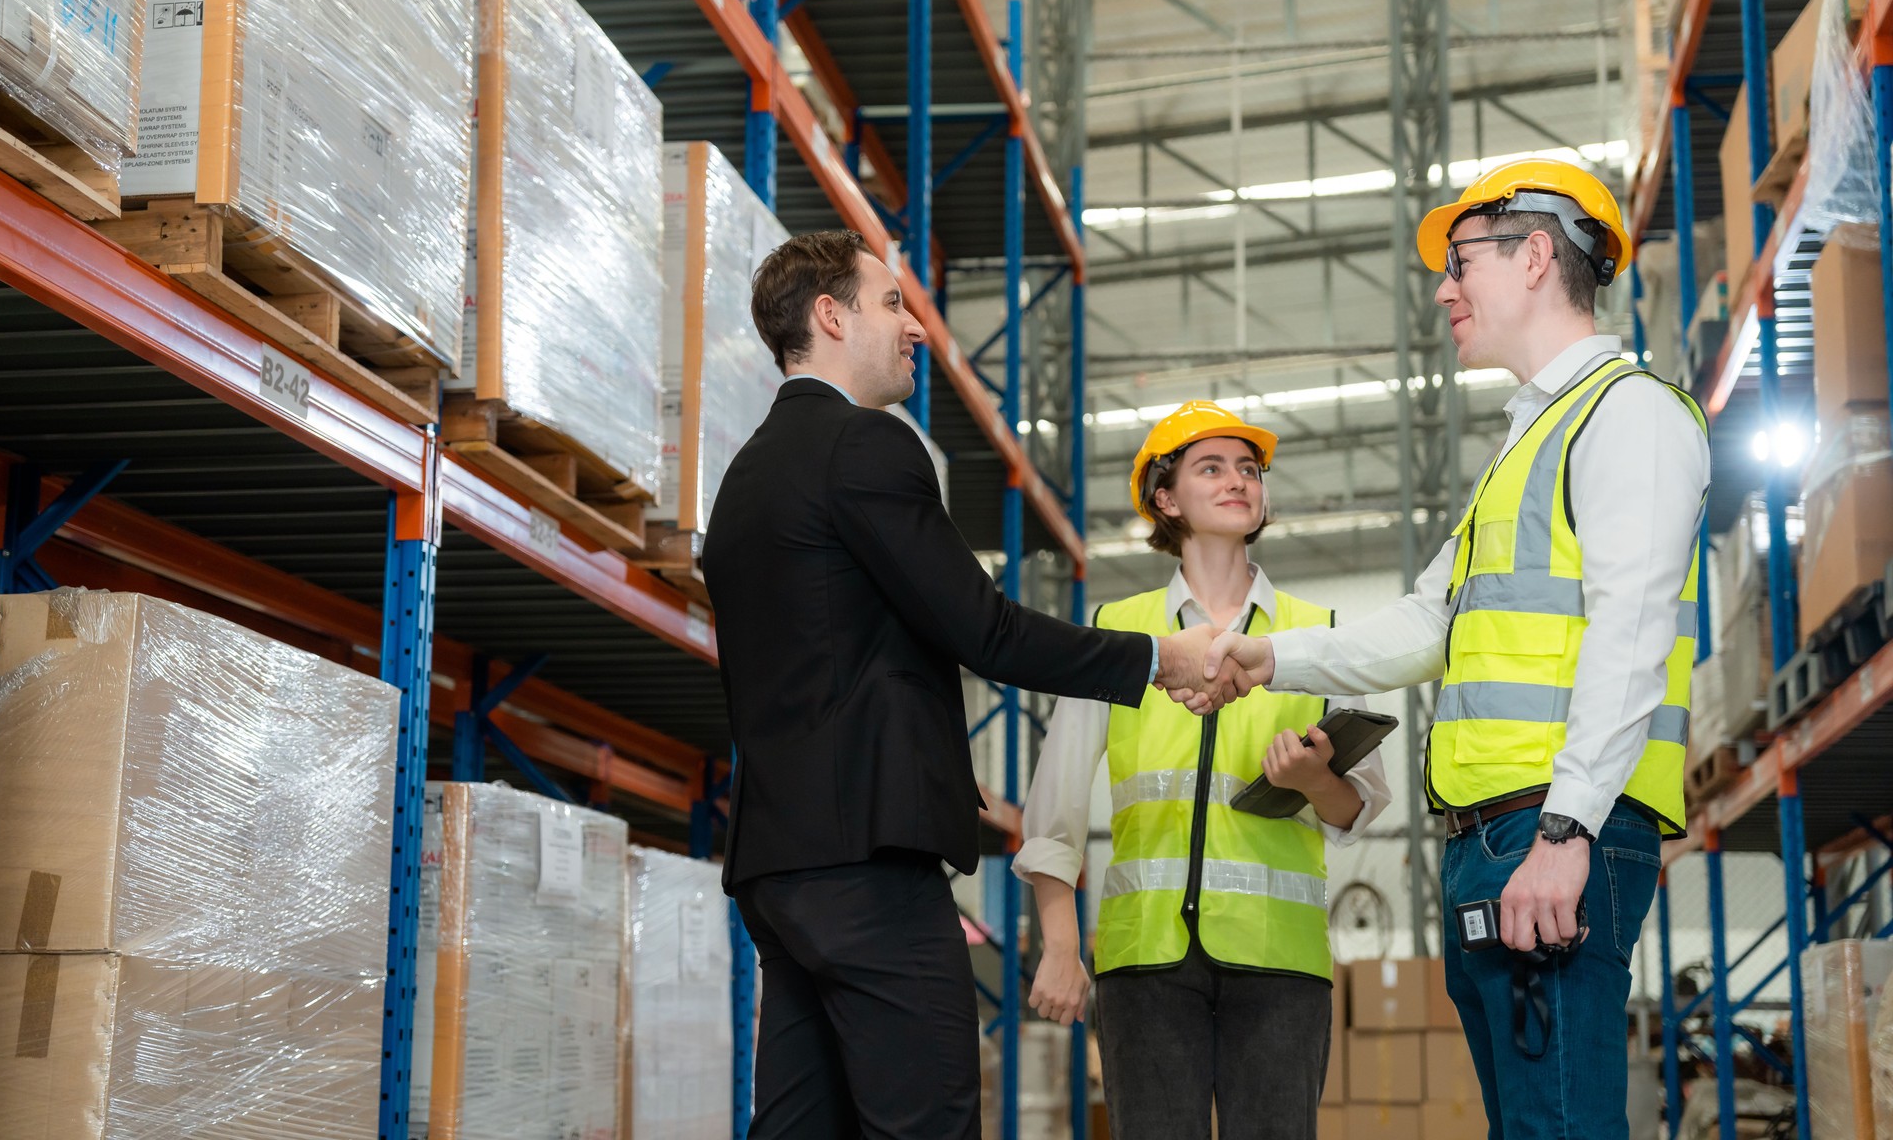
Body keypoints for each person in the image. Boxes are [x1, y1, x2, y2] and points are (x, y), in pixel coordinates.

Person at [1200, 159, 1710, 1139]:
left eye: (1459, 260)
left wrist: (1566, 835)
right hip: (1491, 842)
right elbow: (1426, 624)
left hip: (1554, 836)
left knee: (1560, 1124)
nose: (1443, 287)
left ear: (1532, 256)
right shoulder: (1526, 447)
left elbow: (1631, 636)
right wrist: (1265, 656)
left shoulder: (1628, 413)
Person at [701, 229, 1246, 1140]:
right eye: (889, 305)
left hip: (778, 867)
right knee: (928, 1124)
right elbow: (984, 629)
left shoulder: (746, 476)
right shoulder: (867, 446)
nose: (914, 328)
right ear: (829, 318)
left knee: (801, 1126)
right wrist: (1157, 658)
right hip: (868, 869)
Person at [1014, 401, 1392, 1140]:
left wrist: (1314, 782)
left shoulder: (1316, 634)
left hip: (1280, 967)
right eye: (1210, 467)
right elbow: (1051, 813)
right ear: (1165, 497)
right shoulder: (1121, 634)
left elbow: (1361, 806)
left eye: (1249, 469)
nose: (1238, 481)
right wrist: (1060, 947)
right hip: (1144, 965)